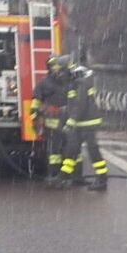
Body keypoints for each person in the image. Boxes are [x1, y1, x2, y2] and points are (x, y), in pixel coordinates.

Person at [55, 61, 108, 191]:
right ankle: (64, 176)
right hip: (80, 123)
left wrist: (70, 122)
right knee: (72, 149)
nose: (60, 75)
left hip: (87, 123)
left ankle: (102, 179)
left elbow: (79, 105)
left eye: (62, 72)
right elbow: (73, 105)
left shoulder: (81, 84)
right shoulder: (76, 84)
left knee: (92, 150)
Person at [31, 55, 74, 183]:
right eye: (53, 66)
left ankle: (68, 175)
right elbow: (36, 104)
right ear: (49, 68)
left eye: (58, 66)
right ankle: (53, 175)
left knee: (69, 149)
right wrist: (35, 119)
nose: (56, 68)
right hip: (52, 122)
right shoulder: (43, 84)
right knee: (54, 151)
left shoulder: (70, 82)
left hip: (68, 120)